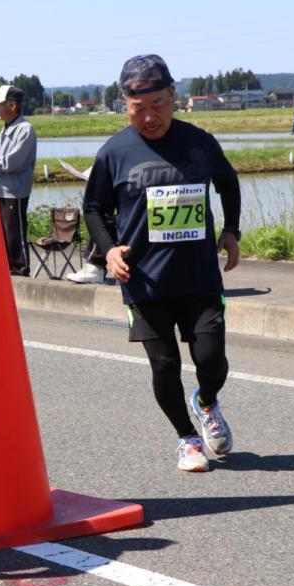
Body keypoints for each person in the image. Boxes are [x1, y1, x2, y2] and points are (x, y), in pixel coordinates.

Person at [82, 54, 242, 473]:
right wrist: (110, 249)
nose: (150, 117)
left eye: (158, 105)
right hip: (144, 278)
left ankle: (206, 401)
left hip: (199, 274)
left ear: (174, 97)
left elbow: (228, 183)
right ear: (125, 105)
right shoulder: (114, 152)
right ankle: (186, 438)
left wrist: (232, 231)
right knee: (165, 363)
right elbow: (94, 207)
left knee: (211, 358)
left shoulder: (199, 142)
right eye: (139, 109)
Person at [0, 85, 37, 276]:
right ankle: (8, 271)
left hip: (14, 192)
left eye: (0, 105)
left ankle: (21, 271)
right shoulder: (5, 129)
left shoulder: (25, 129)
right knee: (3, 235)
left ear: (12, 106)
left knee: (15, 235)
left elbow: (12, 162)